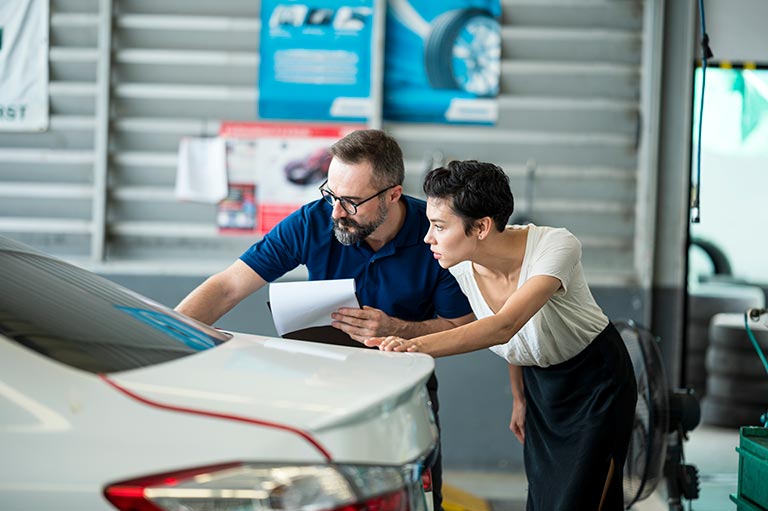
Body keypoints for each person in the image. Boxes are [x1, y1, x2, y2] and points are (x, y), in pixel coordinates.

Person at [175, 129, 474, 511]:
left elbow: (461, 327)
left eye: (350, 202)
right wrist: (163, 337)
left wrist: (398, 329)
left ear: (392, 195)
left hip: (402, 393)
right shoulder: (314, 221)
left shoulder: (435, 235)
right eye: (330, 194)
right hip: (323, 388)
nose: (335, 212)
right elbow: (229, 286)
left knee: (414, 499)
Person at [366, 160, 638, 511]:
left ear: (481, 226)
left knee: (580, 499)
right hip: (541, 387)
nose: (427, 237)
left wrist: (412, 346)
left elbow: (505, 324)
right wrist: (520, 397)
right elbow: (513, 341)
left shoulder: (555, 247)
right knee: (543, 498)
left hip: (596, 382)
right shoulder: (461, 265)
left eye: (438, 226)